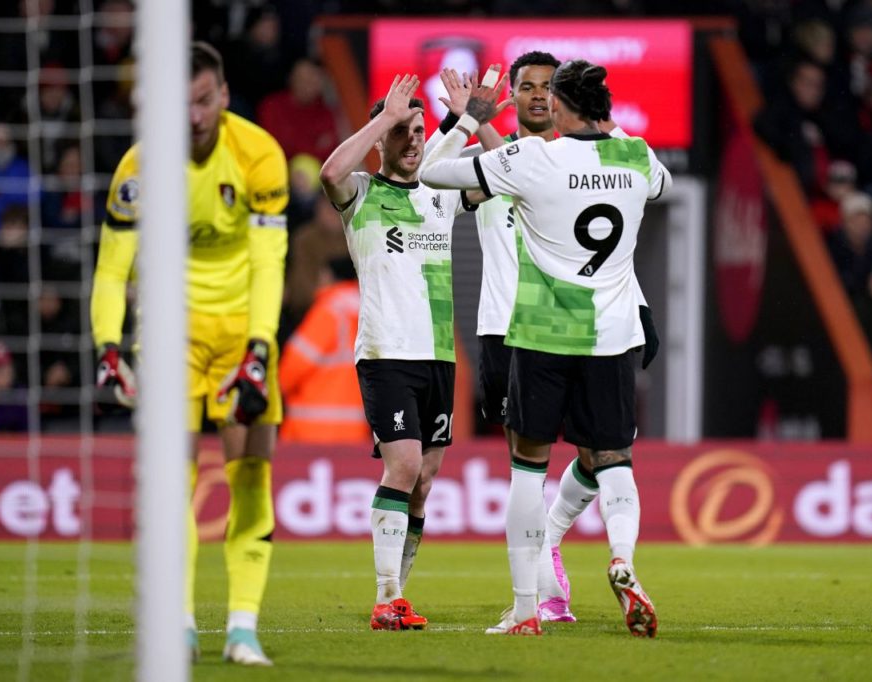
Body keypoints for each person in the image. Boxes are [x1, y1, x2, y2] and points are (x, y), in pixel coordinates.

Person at [421, 58, 671, 637]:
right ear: (512, 97)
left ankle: (531, 593)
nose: (538, 98)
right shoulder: (626, 154)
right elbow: (657, 185)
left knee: (532, 469)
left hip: (540, 334)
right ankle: (605, 562)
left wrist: (465, 124)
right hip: (547, 331)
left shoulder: (525, 162)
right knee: (611, 458)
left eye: (546, 89)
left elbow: (433, 175)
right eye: (527, 88)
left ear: (559, 103)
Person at [89, 42, 288, 666]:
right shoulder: (139, 167)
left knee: (251, 475)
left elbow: (267, 264)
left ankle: (242, 628)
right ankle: (177, 625)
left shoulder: (259, 154)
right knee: (173, 484)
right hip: (169, 332)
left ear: (223, 96)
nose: (194, 116)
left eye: (204, 101)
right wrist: (108, 344)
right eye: (182, 105)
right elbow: (111, 267)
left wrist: (258, 349)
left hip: (241, 332)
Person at [319, 73, 489, 631]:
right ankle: (385, 594)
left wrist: (472, 119)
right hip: (386, 352)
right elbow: (329, 172)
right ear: (382, 140)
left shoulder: (440, 192)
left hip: (439, 355)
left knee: (423, 482)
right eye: (401, 133)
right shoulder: (361, 194)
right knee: (406, 465)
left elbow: (496, 176)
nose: (413, 140)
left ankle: (398, 597)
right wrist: (385, 119)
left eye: (418, 130)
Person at [278, 257, 369, 443]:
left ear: (328, 276)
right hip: (357, 430)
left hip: (310, 430)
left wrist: (274, 390)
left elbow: (293, 366)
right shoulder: (370, 312)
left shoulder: (329, 311)